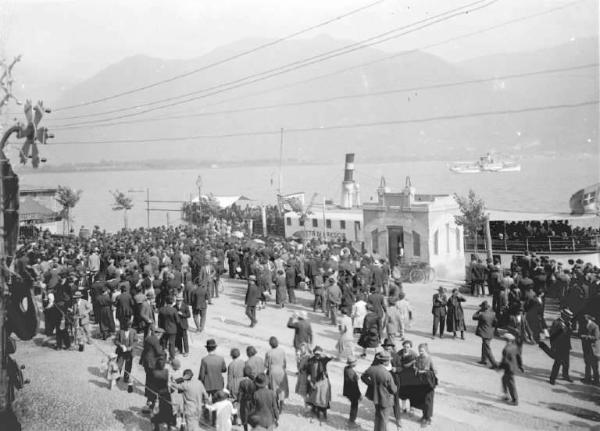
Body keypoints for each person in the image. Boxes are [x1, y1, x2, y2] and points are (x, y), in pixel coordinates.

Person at [361, 350, 397, 431]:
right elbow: (393, 390)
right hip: (386, 399)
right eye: (389, 360)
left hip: (375, 397)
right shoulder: (387, 374)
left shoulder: (372, 368)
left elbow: (363, 377)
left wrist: (371, 384)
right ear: (386, 362)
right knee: (384, 419)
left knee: (378, 416)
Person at [140, 326, 166, 413]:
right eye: (161, 335)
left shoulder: (148, 338)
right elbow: (159, 352)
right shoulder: (155, 340)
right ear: (158, 334)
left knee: (149, 381)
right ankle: (151, 403)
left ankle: (149, 401)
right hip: (152, 364)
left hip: (146, 363)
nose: (161, 337)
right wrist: (164, 352)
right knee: (153, 383)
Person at [306, 346, 333, 422]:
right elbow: (308, 371)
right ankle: (315, 410)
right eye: (316, 354)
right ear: (314, 353)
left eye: (319, 354)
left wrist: (324, 354)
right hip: (314, 381)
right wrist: (310, 381)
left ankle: (323, 412)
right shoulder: (311, 360)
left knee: (324, 397)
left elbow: (331, 357)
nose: (317, 355)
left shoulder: (323, 359)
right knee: (314, 397)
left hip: (323, 381)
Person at [264, 336, 289, 413]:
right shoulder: (282, 351)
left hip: (273, 371)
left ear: (270, 344)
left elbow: (266, 364)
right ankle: (281, 406)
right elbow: (285, 363)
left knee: (273, 389)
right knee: (281, 389)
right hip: (281, 371)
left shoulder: (269, 352)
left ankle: (275, 406)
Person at [549, 308, 574, 385]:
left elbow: (569, 334)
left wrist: (569, 327)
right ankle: (552, 378)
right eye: (568, 317)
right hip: (559, 346)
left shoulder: (568, 323)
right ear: (564, 316)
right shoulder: (556, 322)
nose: (569, 319)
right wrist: (553, 346)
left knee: (566, 362)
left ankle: (565, 375)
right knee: (557, 363)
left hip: (566, 346)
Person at [415, 343, 437, 426]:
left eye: (422, 351)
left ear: (426, 350)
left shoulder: (429, 359)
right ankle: (424, 416)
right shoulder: (417, 358)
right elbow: (416, 367)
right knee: (422, 400)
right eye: (419, 351)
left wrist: (425, 371)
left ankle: (428, 418)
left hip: (428, 383)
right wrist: (416, 369)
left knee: (428, 401)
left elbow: (435, 371)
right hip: (420, 383)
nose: (420, 353)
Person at [151, 358, 176, 431]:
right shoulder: (166, 371)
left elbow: (152, 383)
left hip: (158, 392)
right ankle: (169, 426)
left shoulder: (154, 372)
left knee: (157, 410)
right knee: (168, 410)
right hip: (166, 392)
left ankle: (156, 427)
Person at [499, 333, 523, 406]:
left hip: (509, 369)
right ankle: (506, 395)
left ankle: (515, 400)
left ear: (506, 340)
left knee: (511, 384)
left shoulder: (506, 349)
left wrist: (499, 367)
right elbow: (519, 358)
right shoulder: (515, 347)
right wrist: (520, 366)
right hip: (514, 368)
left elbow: (504, 361)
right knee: (504, 379)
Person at [473, 301, 498, 368]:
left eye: (481, 307)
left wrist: (479, 310)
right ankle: (484, 360)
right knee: (484, 346)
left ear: (483, 308)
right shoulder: (493, 314)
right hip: (490, 333)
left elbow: (474, 317)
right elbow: (495, 323)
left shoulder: (482, 315)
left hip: (485, 334)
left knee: (487, 349)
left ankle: (494, 364)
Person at [114, 320, 136, 393]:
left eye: (129, 326)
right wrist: (120, 345)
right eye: (127, 326)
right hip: (121, 352)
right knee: (119, 364)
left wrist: (131, 347)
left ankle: (126, 378)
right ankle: (117, 376)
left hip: (129, 352)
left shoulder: (133, 331)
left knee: (128, 365)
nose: (128, 328)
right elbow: (115, 340)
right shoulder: (120, 331)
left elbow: (136, 341)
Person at [158, 295, 180, 361]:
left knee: (163, 344)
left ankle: (162, 357)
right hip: (172, 329)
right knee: (171, 344)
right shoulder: (174, 310)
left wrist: (160, 328)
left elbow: (159, 320)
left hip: (163, 329)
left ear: (165, 301)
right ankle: (172, 358)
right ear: (172, 302)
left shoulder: (162, 309)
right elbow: (178, 321)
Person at [580, 314, 599, 385]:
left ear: (589, 319)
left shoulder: (595, 326)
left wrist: (586, 337)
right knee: (587, 363)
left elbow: (596, 337)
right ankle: (587, 378)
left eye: (585, 320)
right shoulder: (584, 325)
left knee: (594, 365)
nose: (584, 322)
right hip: (586, 347)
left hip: (593, 348)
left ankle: (596, 381)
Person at [343, 356, 361, 426]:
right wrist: (359, 394)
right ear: (353, 363)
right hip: (353, 392)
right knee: (354, 406)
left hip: (348, 390)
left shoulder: (346, 368)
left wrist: (355, 377)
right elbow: (354, 385)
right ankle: (352, 420)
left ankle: (351, 419)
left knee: (353, 405)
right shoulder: (351, 372)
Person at [238, 365, 258, 431]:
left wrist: (238, 401)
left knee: (244, 416)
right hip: (252, 401)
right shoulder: (254, 382)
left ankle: (245, 430)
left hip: (244, 402)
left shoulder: (242, 382)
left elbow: (240, 394)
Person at [295, 342, 311, 407]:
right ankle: (306, 406)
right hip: (301, 377)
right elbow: (299, 367)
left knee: (305, 394)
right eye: (300, 349)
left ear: (306, 349)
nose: (301, 350)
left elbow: (308, 368)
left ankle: (307, 408)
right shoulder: (302, 356)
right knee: (303, 394)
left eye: (302, 349)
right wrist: (298, 359)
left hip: (305, 377)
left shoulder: (308, 357)